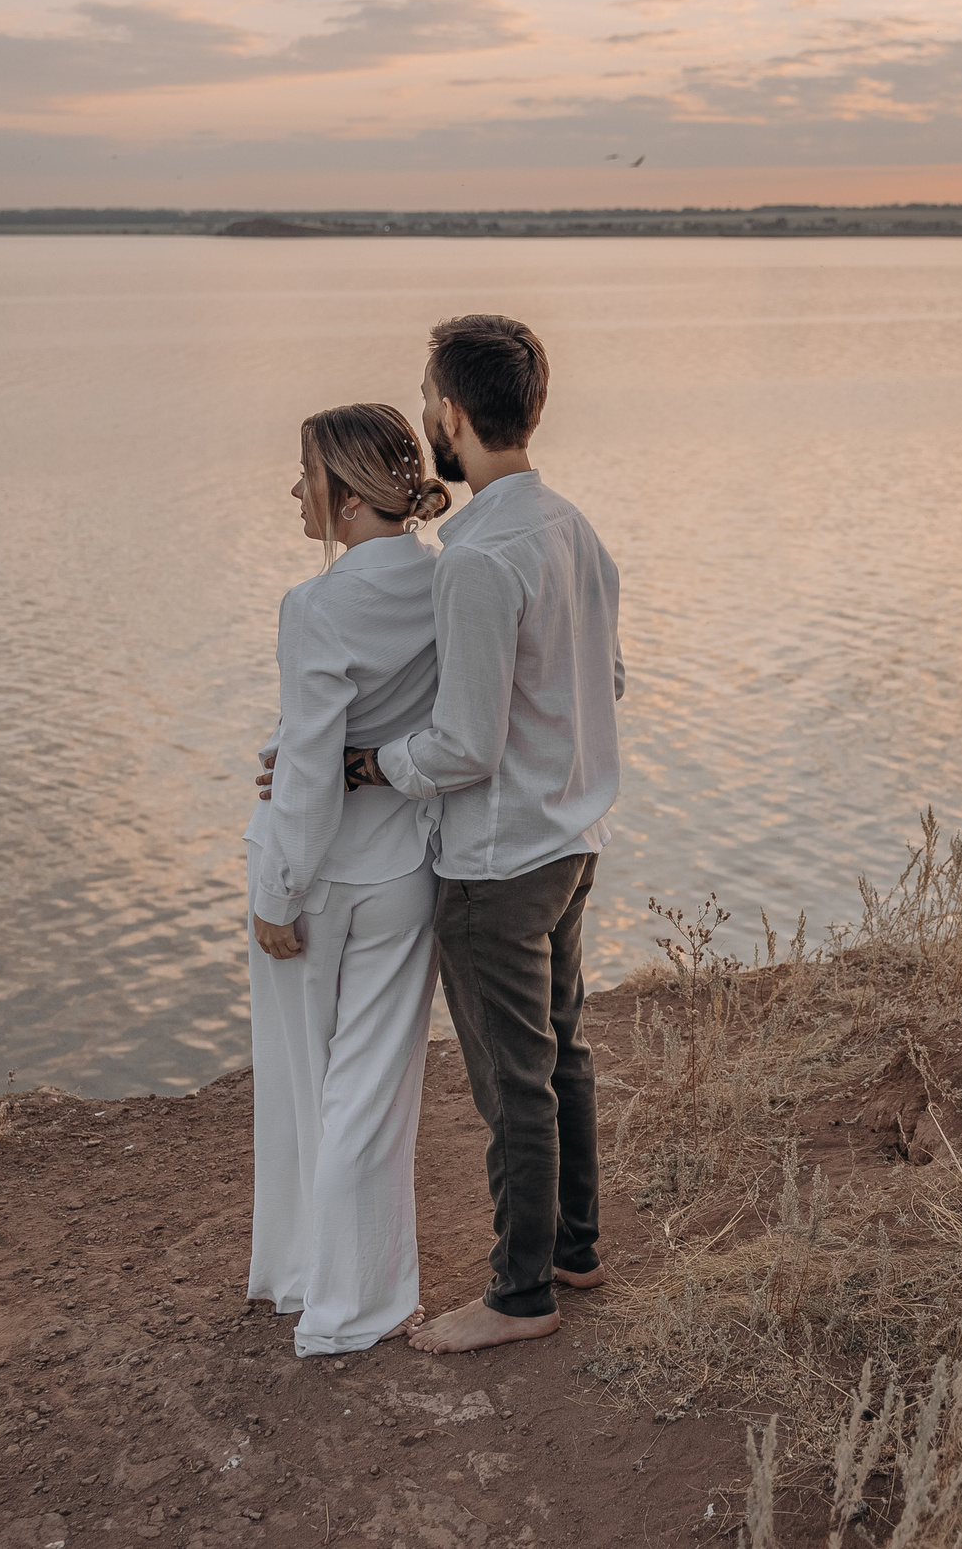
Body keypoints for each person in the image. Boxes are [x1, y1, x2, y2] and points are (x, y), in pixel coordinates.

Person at [341, 313, 624, 1355]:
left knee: (514, 1085)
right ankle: (574, 1250)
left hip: (499, 859)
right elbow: (610, 680)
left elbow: (461, 746)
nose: (425, 419)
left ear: (451, 415)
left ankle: (518, 1296)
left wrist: (368, 765)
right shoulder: (572, 527)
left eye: (427, 402)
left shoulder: (476, 561)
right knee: (564, 1057)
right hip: (575, 836)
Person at [244, 402, 451, 1356]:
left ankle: (305, 1285)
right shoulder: (450, 581)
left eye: (305, 474)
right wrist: (291, 749)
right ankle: (352, 1299)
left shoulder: (316, 605)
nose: (295, 490)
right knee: (372, 1092)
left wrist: (277, 893)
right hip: (406, 863)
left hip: (318, 877)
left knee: (304, 1084)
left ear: (350, 491)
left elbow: (315, 775)